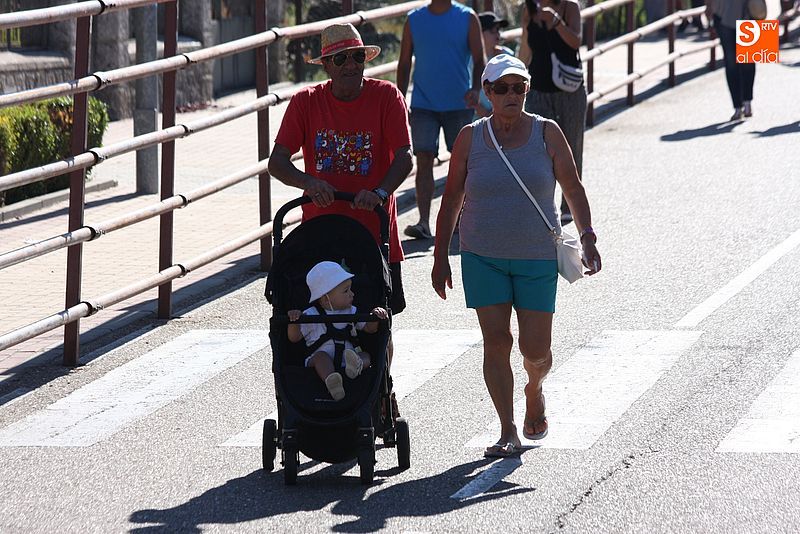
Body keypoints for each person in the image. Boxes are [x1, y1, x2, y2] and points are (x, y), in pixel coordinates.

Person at [431, 54, 601, 458]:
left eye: (519, 87)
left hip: (536, 257)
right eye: (502, 88)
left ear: (527, 90)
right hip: (482, 255)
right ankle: (507, 428)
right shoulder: (470, 138)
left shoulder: (547, 133)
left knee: (536, 350)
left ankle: (535, 387)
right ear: (487, 92)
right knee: (496, 341)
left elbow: (572, 188)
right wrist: (440, 256)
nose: (511, 95)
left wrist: (588, 236)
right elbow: (451, 198)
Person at [268, 23, 412, 331]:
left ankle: (380, 365)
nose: (351, 65)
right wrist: (308, 183)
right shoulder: (306, 101)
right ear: (326, 65)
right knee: (315, 323)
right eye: (340, 58)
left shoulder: (386, 96)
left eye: (357, 57)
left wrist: (379, 193)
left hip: (373, 232)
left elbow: (404, 156)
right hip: (321, 232)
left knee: (377, 324)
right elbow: (277, 162)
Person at [396, 0, 485, 240]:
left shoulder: (468, 17)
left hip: (459, 103)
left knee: (461, 163)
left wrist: (476, 89)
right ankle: (424, 222)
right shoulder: (414, 19)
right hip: (423, 103)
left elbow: (480, 60)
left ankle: (459, 221)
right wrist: (400, 100)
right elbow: (404, 63)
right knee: (423, 159)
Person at [518, 0, 586, 226]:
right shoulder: (529, 10)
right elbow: (526, 47)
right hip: (538, 89)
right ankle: (543, 204)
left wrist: (556, 21)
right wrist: (516, 76)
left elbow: (576, 42)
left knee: (571, 146)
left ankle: (569, 206)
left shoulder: (569, 7)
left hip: (569, 91)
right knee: (537, 148)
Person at [288, 261, 388, 401]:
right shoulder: (311, 314)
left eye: (350, 289)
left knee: (366, 356)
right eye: (346, 291)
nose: (352, 294)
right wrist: (294, 321)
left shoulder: (351, 311)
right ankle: (332, 382)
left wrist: (375, 316)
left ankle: (356, 365)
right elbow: (294, 337)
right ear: (325, 298)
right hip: (319, 364)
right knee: (320, 357)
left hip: (348, 360)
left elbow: (369, 329)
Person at [706, 0, 757, 120]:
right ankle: (740, 106)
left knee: (744, 60)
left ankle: (745, 104)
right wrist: (708, 6)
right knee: (733, 62)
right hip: (726, 12)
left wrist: (708, 7)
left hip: (749, 11)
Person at [472, 11, 516, 119]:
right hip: (476, 118)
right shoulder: (469, 59)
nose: (498, 34)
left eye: (498, 30)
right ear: (480, 33)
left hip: (505, 117)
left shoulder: (507, 55)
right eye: (493, 31)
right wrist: (482, 111)